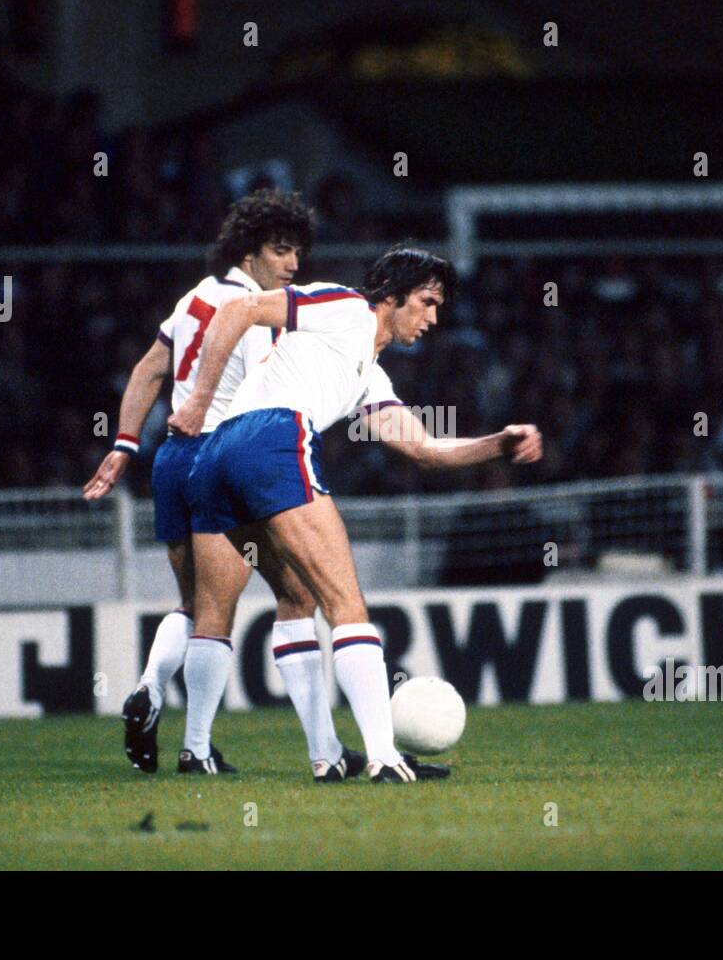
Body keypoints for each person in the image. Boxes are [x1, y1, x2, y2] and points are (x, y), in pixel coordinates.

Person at [169, 244, 542, 782]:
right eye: (427, 302)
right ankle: (384, 758)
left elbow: (424, 450)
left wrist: (499, 444)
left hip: (216, 461)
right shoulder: (345, 306)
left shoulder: (371, 376)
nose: (434, 319)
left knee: (297, 597)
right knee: (347, 603)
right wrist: (200, 399)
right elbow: (240, 309)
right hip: (267, 438)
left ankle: (326, 755)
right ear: (391, 297)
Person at [83, 190, 368, 781]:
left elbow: (147, 370)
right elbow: (269, 386)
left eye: (297, 252)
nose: (292, 264)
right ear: (250, 250)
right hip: (222, 456)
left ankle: (153, 688)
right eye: (280, 250)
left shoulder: (194, 297)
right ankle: (194, 742)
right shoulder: (256, 308)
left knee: (197, 603)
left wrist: (123, 445)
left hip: (169, 458)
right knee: (243, 605)